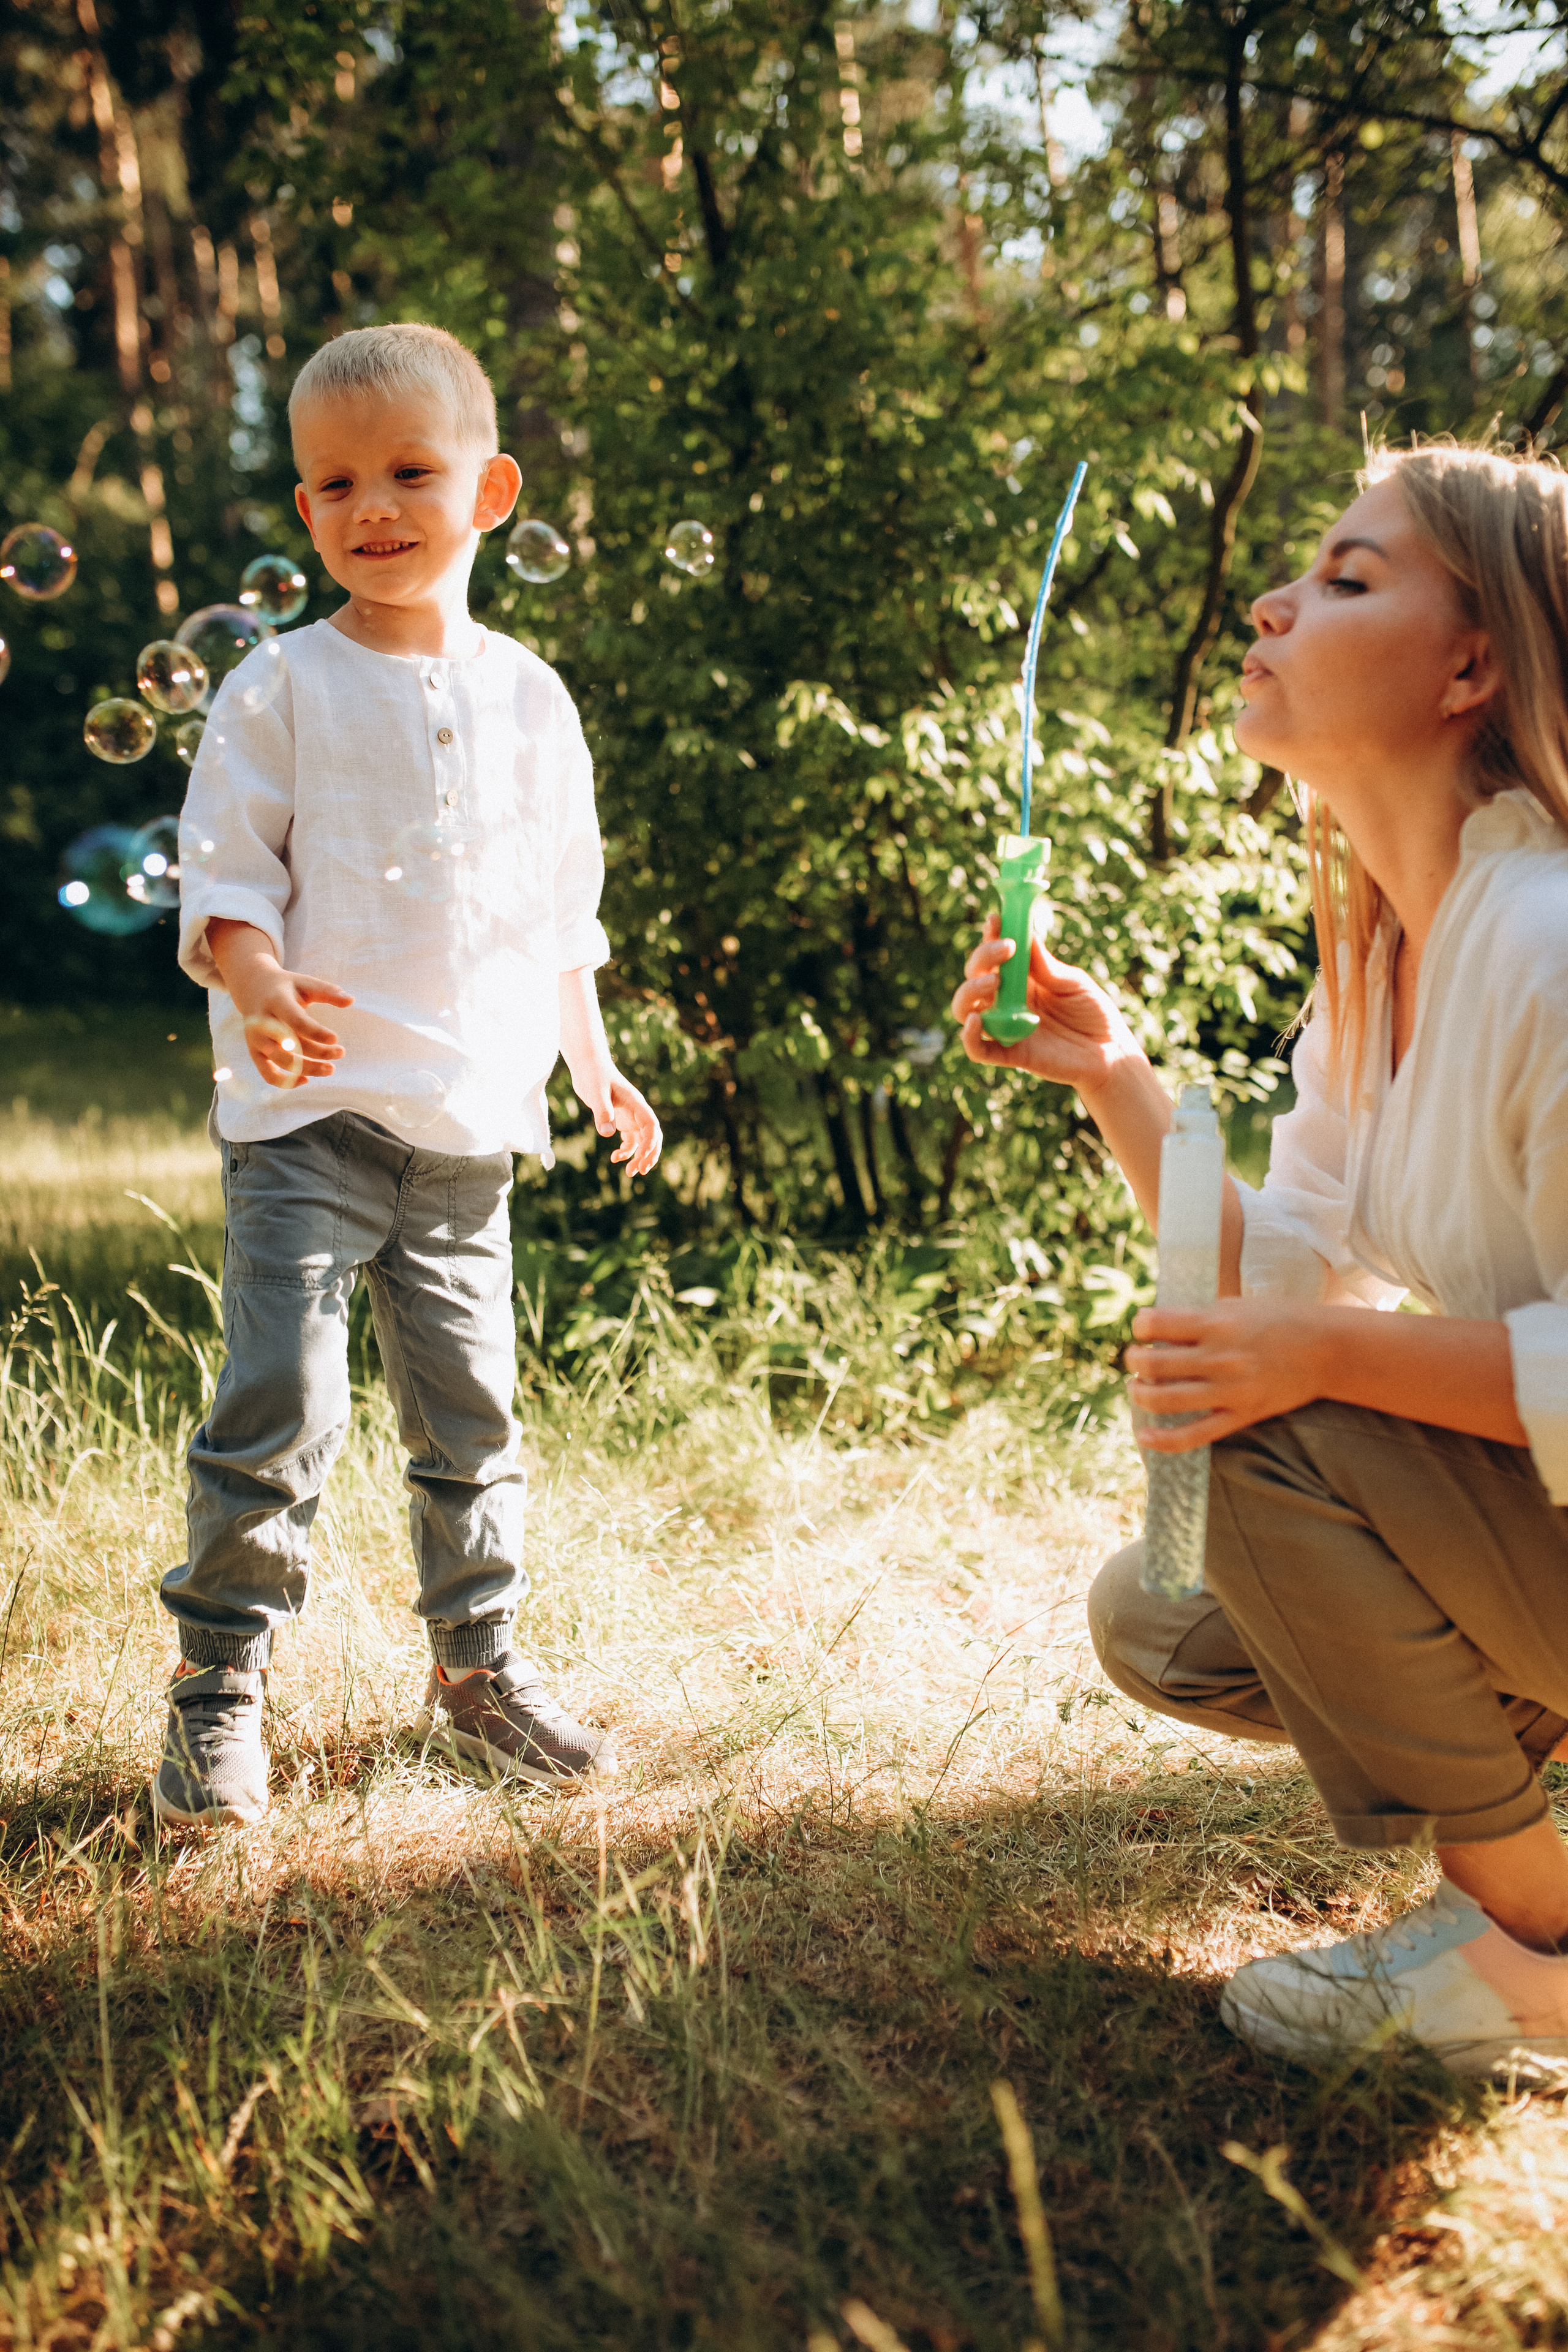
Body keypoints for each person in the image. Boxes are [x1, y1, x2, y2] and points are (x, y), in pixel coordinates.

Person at [952, 440, 1568, 2079]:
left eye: (1352, 580)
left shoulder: (1551, 946)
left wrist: (1315, 1367)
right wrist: (1116, 1075)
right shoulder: (1393, 966)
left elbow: (1307, 1358)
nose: (1277, 603)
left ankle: (1539, 1945)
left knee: (1254, 1422)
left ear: (1476, 662)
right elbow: (1274, 1284)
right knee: (1169, 1610)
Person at [154, 323, 662, 1828]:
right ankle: (219, 1683)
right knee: (281, 1402)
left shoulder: (531, 699)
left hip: (468, 1131)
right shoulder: (278, 687)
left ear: (489, 489)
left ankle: (477, 1670)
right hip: (310, 1119)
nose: (371, 506)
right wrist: (252, 979)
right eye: (333, 483)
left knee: (472, 1416)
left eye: (408, 472)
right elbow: (222, 876)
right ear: (303, 512)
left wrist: (596, 1064)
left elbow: (557, 913)